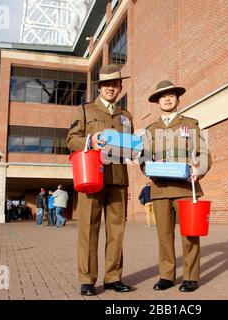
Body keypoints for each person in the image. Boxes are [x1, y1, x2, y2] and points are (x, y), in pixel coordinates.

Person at [67, 63, 133, 296]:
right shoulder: (85, 111)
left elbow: (129, 147)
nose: (110, 88)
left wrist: (136, 149)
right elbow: (71, 140)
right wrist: (90, 141)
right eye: (106, 84)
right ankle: (87, 279)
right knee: (88, 229)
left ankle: (113, 278)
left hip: (118, 179)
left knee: (116, 232)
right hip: (92, 177)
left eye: (114, 84)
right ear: (99, 88)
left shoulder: (126, 116)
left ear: (120, 86)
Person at [142, 80, 212, 292]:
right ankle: (166, 275)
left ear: (177, 99)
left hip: (185, 189)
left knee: (190, 234)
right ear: (157, 102)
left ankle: (190, 276)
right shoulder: (150, 130)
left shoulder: (190, 124)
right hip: (161, 190)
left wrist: (197, 170)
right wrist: (149, 169)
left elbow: (204, 153)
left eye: (171, 95)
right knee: (164, 236)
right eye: (163, 96)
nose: (167, 99)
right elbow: (143, 158)